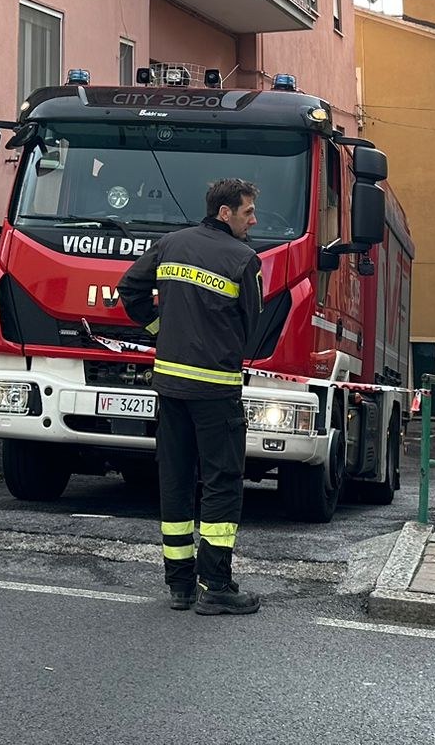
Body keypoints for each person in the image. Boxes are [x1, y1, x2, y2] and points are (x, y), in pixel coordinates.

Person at [118, 177, 265, 615]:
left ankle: (180, 585)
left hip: (169, 386)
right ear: (225, 213)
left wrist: (162, 333)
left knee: (176, 481)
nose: (253, 219)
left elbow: (130, 291)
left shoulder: (170, 244)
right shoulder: (245, 260)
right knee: (221, 483)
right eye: (248, 212)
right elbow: (251, 328)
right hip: (216, 390)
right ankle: (216, 584)